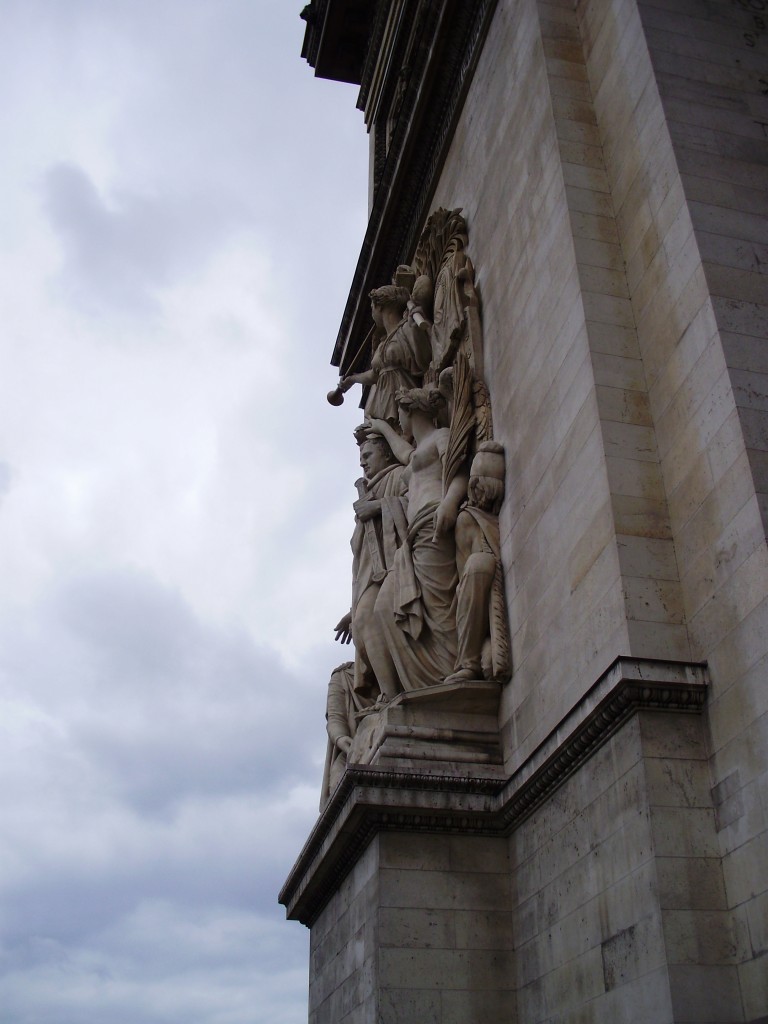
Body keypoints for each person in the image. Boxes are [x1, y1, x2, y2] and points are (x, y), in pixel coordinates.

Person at [366, 386, 468, 693]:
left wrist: (450, 501)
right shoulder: (414, 454)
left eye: (399, 414)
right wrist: (382, 427)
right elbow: (403, 453)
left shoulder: (442, 437)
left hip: (435, 521)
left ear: (411, 411)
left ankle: (447, 666)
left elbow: (459, 472)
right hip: (413, 538)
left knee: (437, 608)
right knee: (385, 608)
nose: (399, 420)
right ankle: (418, 685)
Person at [334, 428, 407, 699]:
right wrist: (351, 609)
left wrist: (378, 508)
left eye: (367, 454)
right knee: (362, 620)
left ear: (386, 452)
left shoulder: (399, 475)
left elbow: (420, 504)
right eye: (360, 457)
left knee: (372, 617)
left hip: (397, 565)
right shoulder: (368, 491)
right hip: (371, 575)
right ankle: (389, 694)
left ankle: (391, 694)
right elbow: (362, 553)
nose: (362, 462)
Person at [445, 441, 510, 683]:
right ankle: (467, 661)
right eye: (476, 487)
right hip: (474, 598)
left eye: (486, 487)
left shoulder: (489, 517)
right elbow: (464, 579)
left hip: (491, 597)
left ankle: (474, 658)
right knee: (478, 564)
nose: (480, 494)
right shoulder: (466, 519)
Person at [337, 285, 432, 425]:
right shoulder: (382, 344)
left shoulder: (407, 329)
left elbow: (424, 359)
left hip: (403, 397)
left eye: (372, 308)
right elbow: (376, 374)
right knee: (372, 443)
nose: (372, 313)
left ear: (379, 307)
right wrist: (353, 379)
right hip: (381, 404)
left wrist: (416, 329)